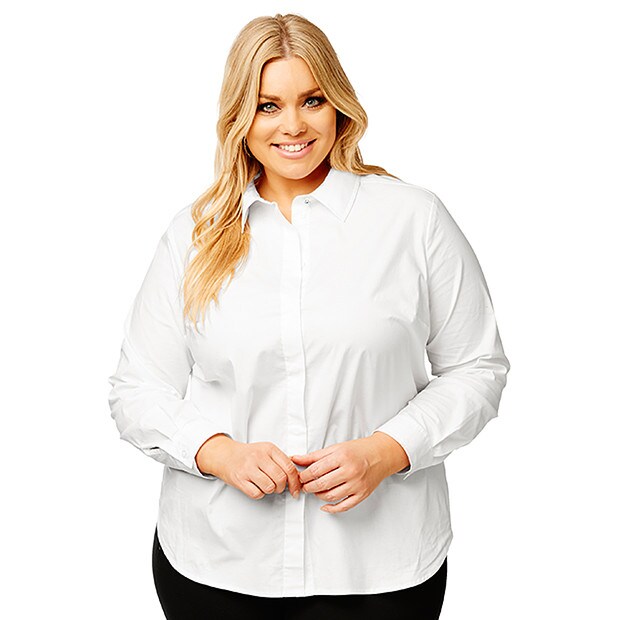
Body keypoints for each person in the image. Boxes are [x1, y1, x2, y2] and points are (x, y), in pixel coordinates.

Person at [107, 12, 510, 620]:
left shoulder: (414, 220)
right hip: (218, 566)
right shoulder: (192, 235)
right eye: (268, 105)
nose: (293, 125)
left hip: (380, 570)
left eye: (312, 100)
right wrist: (219, 452)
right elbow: (136, 389)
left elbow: (478, 368)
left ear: (338, 105)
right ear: (240, 117)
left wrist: (387, 450)